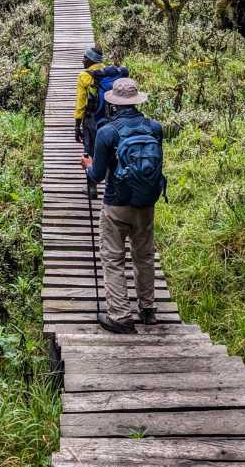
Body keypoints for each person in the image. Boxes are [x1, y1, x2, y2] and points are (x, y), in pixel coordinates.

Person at [82, 77, 166, 334]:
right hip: (146, 204)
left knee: (113, 259)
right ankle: (148, 309)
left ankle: (120, 315)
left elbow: (97, 175)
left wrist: (87, 165)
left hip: (116, 205)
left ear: (114, 104)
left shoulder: (107, 132)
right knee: (145, 257)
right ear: (137, 100)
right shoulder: (155, 128)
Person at [74, 46, 128, 159]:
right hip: (110, 117)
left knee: (90, 152)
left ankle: (92, 172)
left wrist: (77, 126)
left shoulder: (84, 76)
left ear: (91, 60)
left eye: (85, 57)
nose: (82, 60)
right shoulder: (109, 72)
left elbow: (81, 103)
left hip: (91, 119)